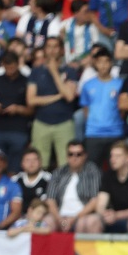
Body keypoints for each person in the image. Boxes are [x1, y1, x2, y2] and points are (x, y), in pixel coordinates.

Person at [27, 36, 79, 170]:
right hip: (41, 123)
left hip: (64, 123)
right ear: (44, 50)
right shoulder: (36, 71)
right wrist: (56, 97)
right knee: (39, 164)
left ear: (62, 50)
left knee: (67, 165)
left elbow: (68, 96)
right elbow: (31, 100)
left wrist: (54, 72)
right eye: (49, 47)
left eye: (55, 47)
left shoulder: (70, 71)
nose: (52, 50)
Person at [0, 50, 32, 173]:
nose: (10, 69)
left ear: (17, 64)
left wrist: (17, 109)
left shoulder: (27, 81)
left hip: (18, 130)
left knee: (15, 167)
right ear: (2, 65)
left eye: (12, 66)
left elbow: (32, 110)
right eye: (7, 67)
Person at [79, 48, 124, 168]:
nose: (103, 65)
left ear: (111, 63)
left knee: (114, 170)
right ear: (95, 63)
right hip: (93, 134)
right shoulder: (88, 85)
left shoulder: (119, 84)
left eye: (106, 61)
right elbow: (85, 109)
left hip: (115, 133)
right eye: (100, 62)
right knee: (92, 171)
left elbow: (123, 108)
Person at [45, 142, 102, 233]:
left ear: (85, 156)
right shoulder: (58, 172)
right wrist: (60, 219)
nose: (74, 158)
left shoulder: (92, 171)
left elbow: (94, 200)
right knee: (46, 222)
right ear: (67, 156)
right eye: (71, 154)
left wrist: (74, 218)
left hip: (83, 215)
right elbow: (50, 200)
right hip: (60, 215)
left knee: (89, 222)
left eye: (78, 154)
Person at [95, 142, 128, 235]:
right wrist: (105, 214)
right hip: (112, 217)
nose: (113, 159)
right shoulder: (108, 175)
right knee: (92, 221)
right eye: (112, 156)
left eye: (118, 156)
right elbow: (101, 204)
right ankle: (95, 250)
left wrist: (117, 215)